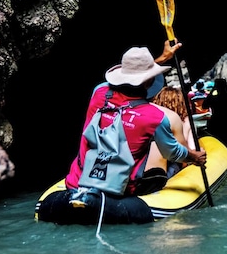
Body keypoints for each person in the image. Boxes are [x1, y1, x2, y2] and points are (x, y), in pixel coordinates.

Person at [65, 43, 207, 208]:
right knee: (163, 172)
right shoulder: (155, 117)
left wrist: (160, 59)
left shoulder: (99, 92)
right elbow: (173, 153)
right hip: (119, 192)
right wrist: (194, 157)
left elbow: (130, 81)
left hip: (76, 183)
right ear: (149, 81)